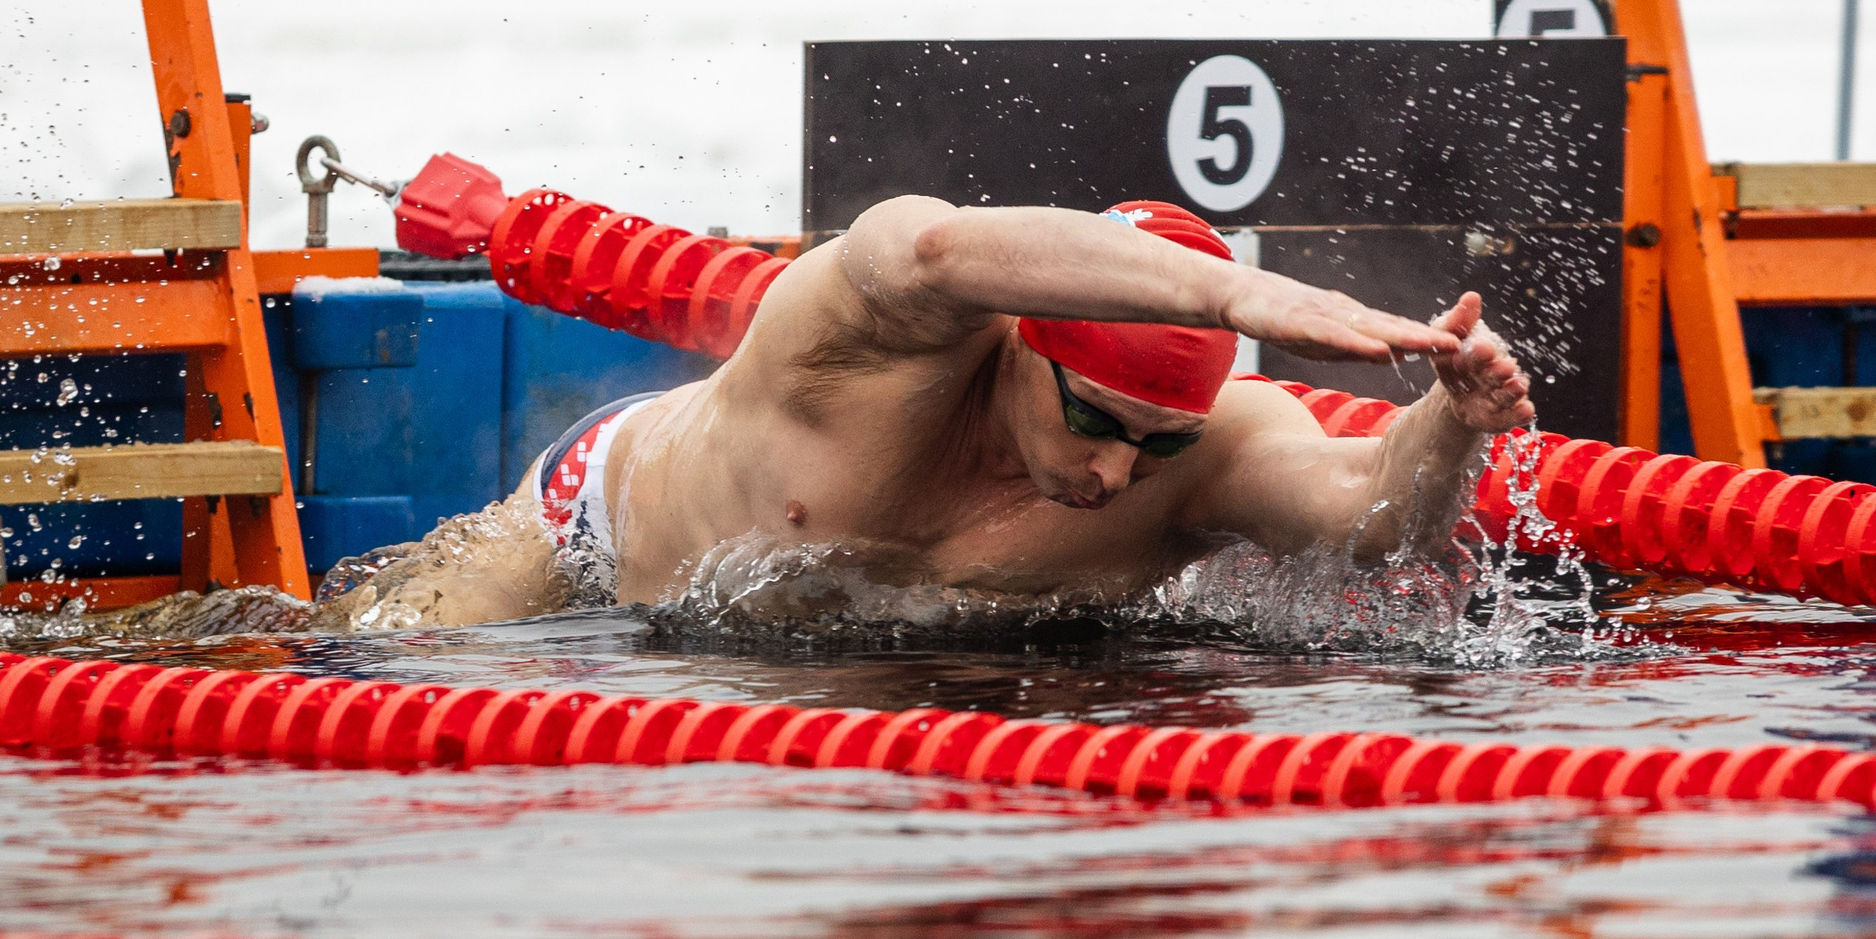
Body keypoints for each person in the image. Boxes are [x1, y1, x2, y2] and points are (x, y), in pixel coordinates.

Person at [316, 197, 1535, 629]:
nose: (1118, 475)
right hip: (598, 524)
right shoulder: (865, 349)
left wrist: (1452, 421)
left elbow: (1374, 517)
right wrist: (1231, 289)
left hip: (842, 653)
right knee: (381, 667)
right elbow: (937, 244)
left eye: (1154, 442)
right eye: (1096, 419)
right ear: (1022, 348)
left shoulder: (1213, 449)